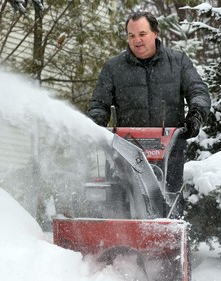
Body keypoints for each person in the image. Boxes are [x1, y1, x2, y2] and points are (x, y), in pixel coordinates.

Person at [87, 11, 211, 217]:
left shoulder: (178, 62)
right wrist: (96, 122)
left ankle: (170, 245)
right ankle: (120, 244)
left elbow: (198, 90)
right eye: (131, 35)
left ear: (155, 33)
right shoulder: (113, 68)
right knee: (120, 203)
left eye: (142, 34)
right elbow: (99, 103)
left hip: (169, 151)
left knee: (168, 204)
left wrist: (196, 114)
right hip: (124, 152)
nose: (137, 40)